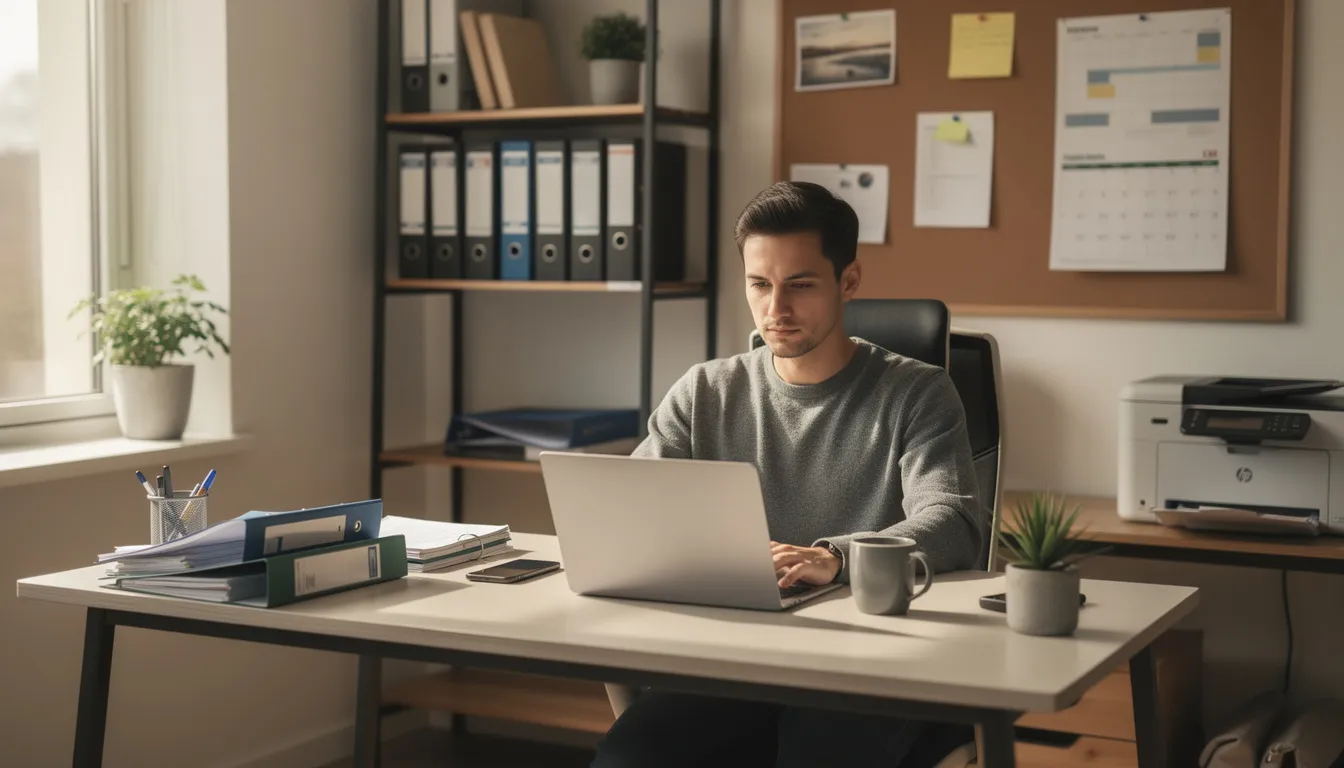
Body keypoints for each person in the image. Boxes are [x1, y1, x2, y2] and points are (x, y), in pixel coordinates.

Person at [590, 180, 986, 768]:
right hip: (734, 659)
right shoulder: (705, 391)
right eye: (760, 284)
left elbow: (953, 522)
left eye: (800, 285)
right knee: (627, 759)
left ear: (848, 280)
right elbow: (630, 508)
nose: (776, 309)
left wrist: (836, 558)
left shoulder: (917, 392)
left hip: (871, 662)